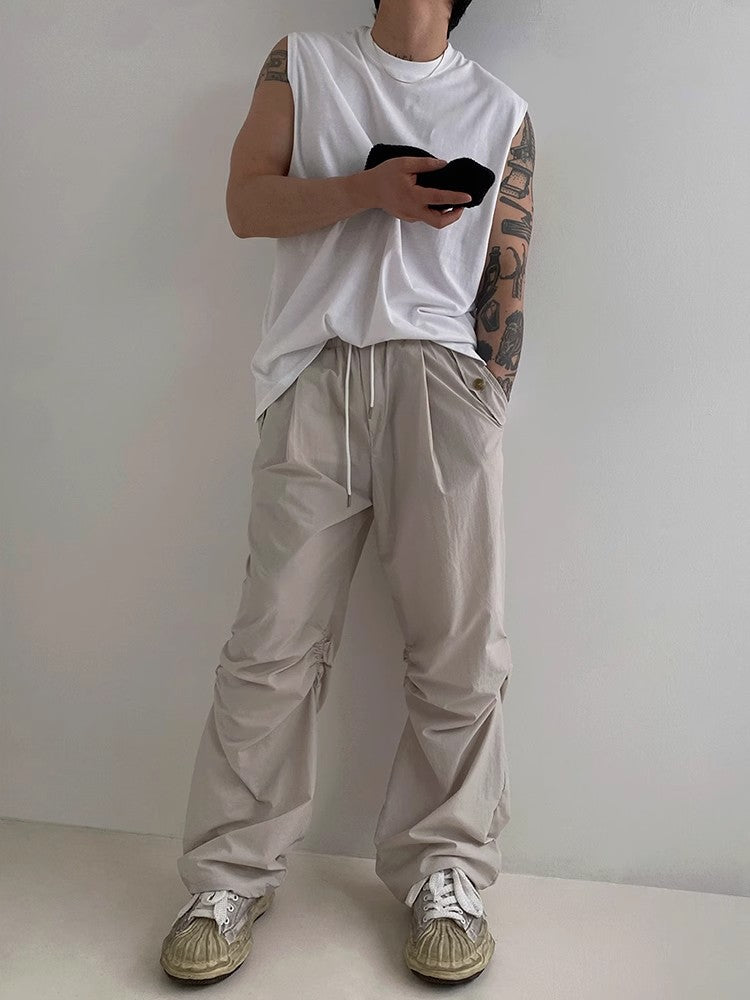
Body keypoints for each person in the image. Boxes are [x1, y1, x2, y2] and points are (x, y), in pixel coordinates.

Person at [160, 0, 535, 986]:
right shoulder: (302, 64)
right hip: (315, 374)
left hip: (443, 384)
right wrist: (370, 190)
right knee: (270, 643)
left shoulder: (500, 110)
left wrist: (485, 399)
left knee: (461, 647)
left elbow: (507, 272)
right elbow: (246, 205)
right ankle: (229, 876)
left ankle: (448, 869)